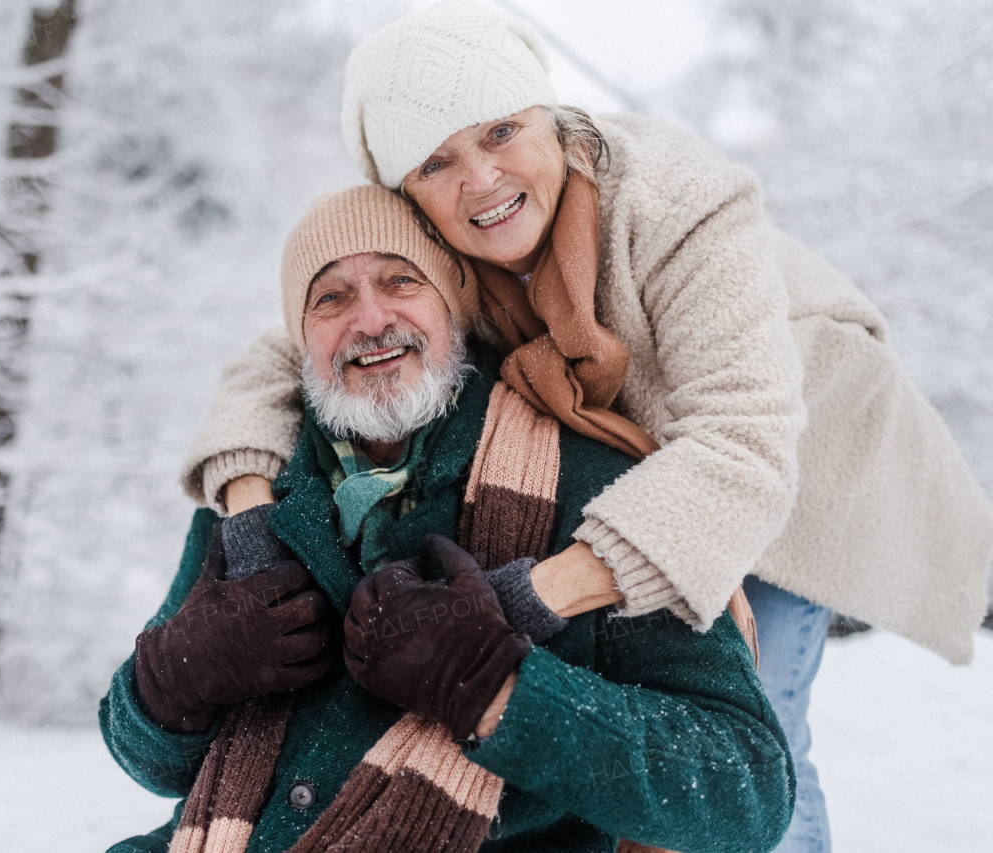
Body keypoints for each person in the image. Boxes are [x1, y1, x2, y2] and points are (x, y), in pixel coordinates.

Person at [177, 3, 993, 852]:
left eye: (501, 129)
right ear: (406, 191)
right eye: (438, 160)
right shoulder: (431, 238)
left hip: (797, 474)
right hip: (651, 478)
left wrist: (525, 600)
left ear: (550, 116)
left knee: (759, 738)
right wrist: (249, 518)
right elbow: (289, 350)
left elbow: (742, 448)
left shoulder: (679, 203)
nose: (482, 178)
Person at [100, 185, 794, 853]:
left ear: (454, 307)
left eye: (401, 282)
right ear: (301, 338)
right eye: (330, 297)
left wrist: (499, 689)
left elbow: (749, 788)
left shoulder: (590, 488)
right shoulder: (253, 499)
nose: (369, 320)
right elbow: (147, 759)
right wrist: (174, 677)